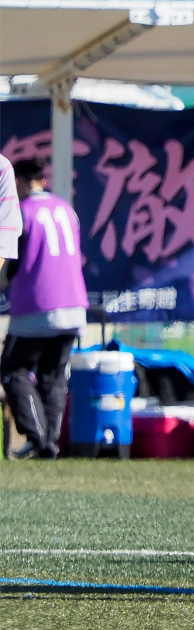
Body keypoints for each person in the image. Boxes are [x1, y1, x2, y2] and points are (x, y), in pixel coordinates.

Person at [0, 158, 88, 459]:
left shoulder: (24, 211)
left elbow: (13, 260)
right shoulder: (66, 209)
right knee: (52, 376)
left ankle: (37, 436)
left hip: (38, 305)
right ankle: (49, 444)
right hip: (74, 306)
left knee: (12, 369)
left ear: (21, 182)